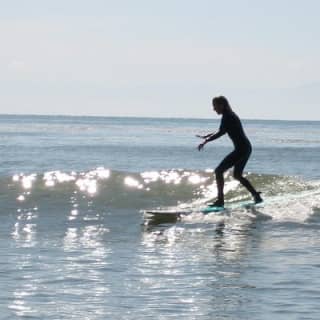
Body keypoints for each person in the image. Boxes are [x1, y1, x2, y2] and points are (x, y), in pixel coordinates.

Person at [197, 96, 262, 207]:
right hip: (245, 148)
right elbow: (222, 129)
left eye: (215, 106)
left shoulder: (228, 116)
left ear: (222, 105)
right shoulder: (229, 115)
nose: (214, 109)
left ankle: (220, 201)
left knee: (218, 171)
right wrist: (208, 136)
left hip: (241, 149)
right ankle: (256, 195)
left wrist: (206, 141)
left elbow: (221, 132)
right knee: (237, 175)